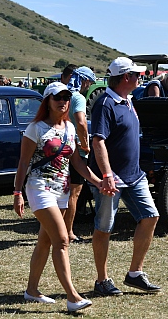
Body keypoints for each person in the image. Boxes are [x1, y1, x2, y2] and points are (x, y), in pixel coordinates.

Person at [13, 82, 101, 312]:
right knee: (62, 240)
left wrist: (98, 182)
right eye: (57, 97)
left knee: (45, 240)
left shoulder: (70, 129)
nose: (62, 101)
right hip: (39, 188)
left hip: (61, 190)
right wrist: (17, 193)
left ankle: (31, 290)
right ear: (47, 101)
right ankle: (73, 297)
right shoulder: (36, 128)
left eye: (66, 97)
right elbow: (23, 163)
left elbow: (77, 163)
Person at [90, 56, 161, 296]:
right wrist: (107, 174)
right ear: (126, 77)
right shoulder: (105, 103)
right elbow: (98, 141)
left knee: (150, 216)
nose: (141, 78)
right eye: (137, 74)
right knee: (104, 227)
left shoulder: (128, 100)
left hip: (134, 175)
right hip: (114, 177)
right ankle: (102, 280)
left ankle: (135, 273)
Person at [63, 66, 96, 244]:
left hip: (58, 146)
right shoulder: (78, 98)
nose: (88, 86)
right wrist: (85, 144)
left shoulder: (60, 94)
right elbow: (81, 122)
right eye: (89, 82)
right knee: (74, 193)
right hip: (75, 147)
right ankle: (68, 232)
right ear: (84, 80)